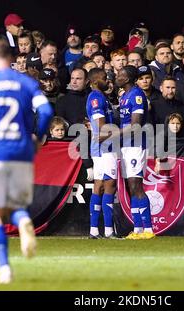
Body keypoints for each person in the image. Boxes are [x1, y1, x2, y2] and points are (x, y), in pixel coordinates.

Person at [0, 39, 53, 284]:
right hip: (23, 150)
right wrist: (39, 135)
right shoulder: (27, 82)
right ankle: (24, 220)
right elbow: (46, 111)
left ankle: (5, 268)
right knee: (16, 205)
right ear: (11, 57)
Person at [115, 65, 155, 240]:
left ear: (129, 78)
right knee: (131, 187)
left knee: (136, 185)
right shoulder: (124, 96)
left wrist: (112, 134)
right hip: (126, 146)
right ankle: (137, 228)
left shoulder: (137, 95)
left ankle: (149, 229)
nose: (117, 76)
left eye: (121, 75)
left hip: (136, 145)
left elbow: (136, 125)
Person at [86, 68, 118, 239]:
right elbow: (103, 129)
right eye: (105, 77)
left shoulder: (99, 97)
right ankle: (108, 230)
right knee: (110, 186)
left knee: (98, 187)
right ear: (95, 80)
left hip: (100, 148)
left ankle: (93, 231)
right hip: (105, 148)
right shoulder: (97, 98)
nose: (108, 80)